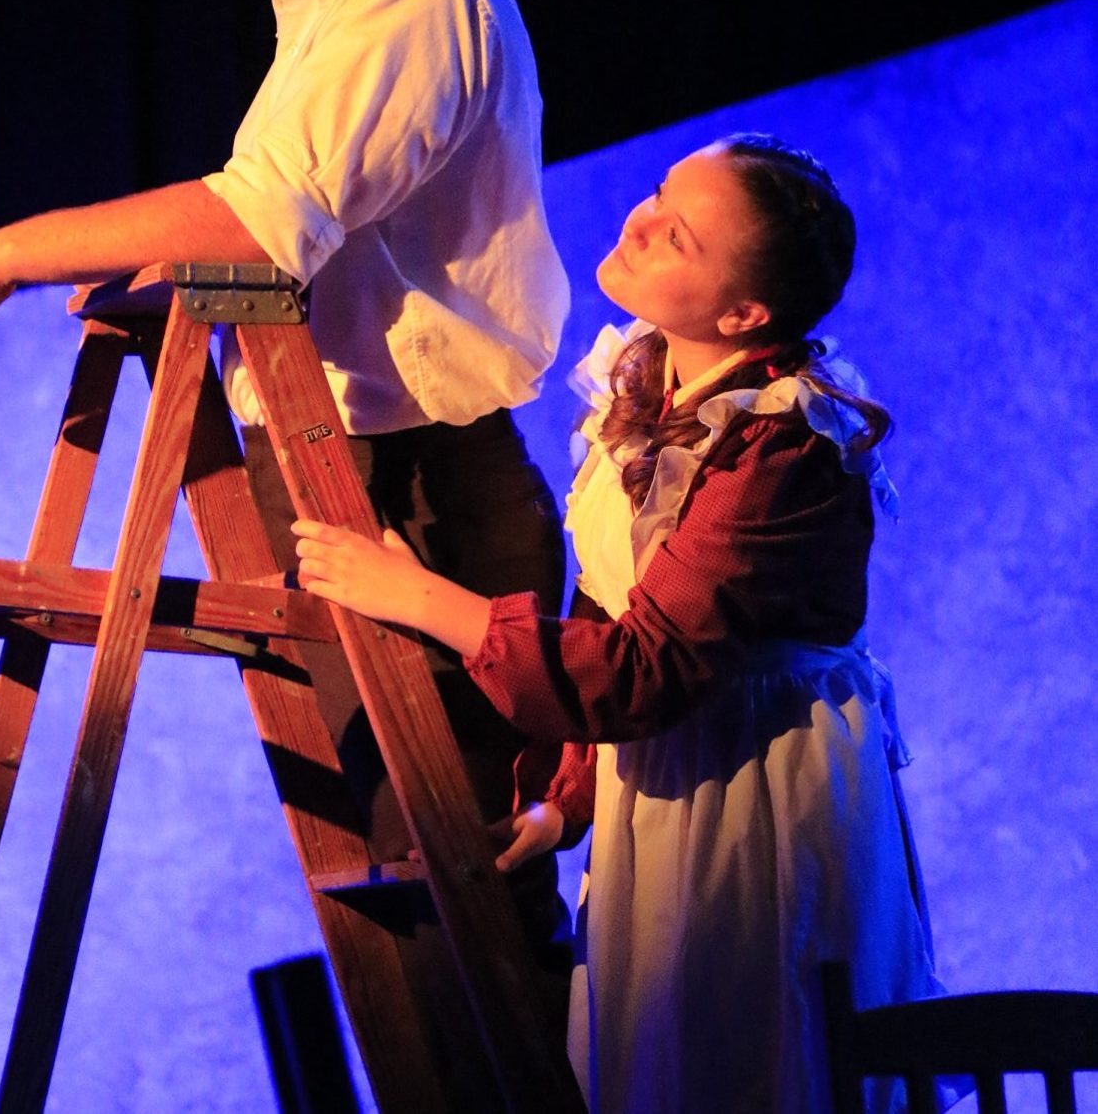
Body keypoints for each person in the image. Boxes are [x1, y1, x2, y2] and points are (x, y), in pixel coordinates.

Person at [0, 0, 575, 1050]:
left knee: (465, 928)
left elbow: (263, 221)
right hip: (351, 461)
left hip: (415, 482)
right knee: (412, 918)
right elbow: (281, 227)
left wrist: (6, 251)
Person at [293, 133, 954, 1113]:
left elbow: (647, 664)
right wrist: (565, 804)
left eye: (677, 235)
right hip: (658, 776)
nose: (641, 223)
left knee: (747, 1059)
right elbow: (613, 599)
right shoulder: (648, 383)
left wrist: (419, 596)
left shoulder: (780, 444)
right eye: (658, 194)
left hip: (752, 790)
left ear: (743, 314)